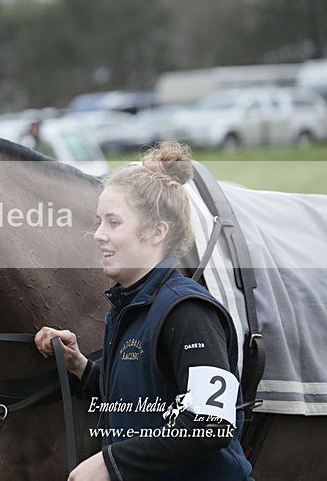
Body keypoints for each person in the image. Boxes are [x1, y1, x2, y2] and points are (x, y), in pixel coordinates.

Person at [34, 141, 252, 480]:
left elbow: (210, 424)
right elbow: (139, 400)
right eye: (99, 221)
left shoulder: (187, 310)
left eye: (113, 222)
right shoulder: (130, 306)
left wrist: (112, 462)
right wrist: (80, 367)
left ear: (156, 231)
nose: (98, 235)